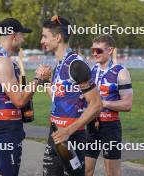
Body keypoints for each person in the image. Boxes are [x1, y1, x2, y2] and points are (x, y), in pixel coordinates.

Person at [0, 18, 51, 176]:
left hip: (3, 123)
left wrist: (34, 82)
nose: (24, 39)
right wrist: (39, 79)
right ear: (13, 35)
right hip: (7, 126)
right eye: (22, 35)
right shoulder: (3, 62)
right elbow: (19, 100)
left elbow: (20, 92)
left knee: (4, 171)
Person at [40, 15, 102, 176]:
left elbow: (96, 104)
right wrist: (45, 81)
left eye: (45, 36)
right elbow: (58, 98)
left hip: (73, 136)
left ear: (58, 37)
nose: (42, 41)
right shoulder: (59, 64)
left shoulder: (76, 65)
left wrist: (68, 131)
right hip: (55, 133)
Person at [85, 34, 133, 176]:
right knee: (85, 170)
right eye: (93, 50)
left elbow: (127, 104)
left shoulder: (121, 72)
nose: (94, 53)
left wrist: (102, 103)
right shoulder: (91, 71)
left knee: (112, 173)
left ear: (110, 50)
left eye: (98, 50)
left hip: (110, 127)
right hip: (91, 126)